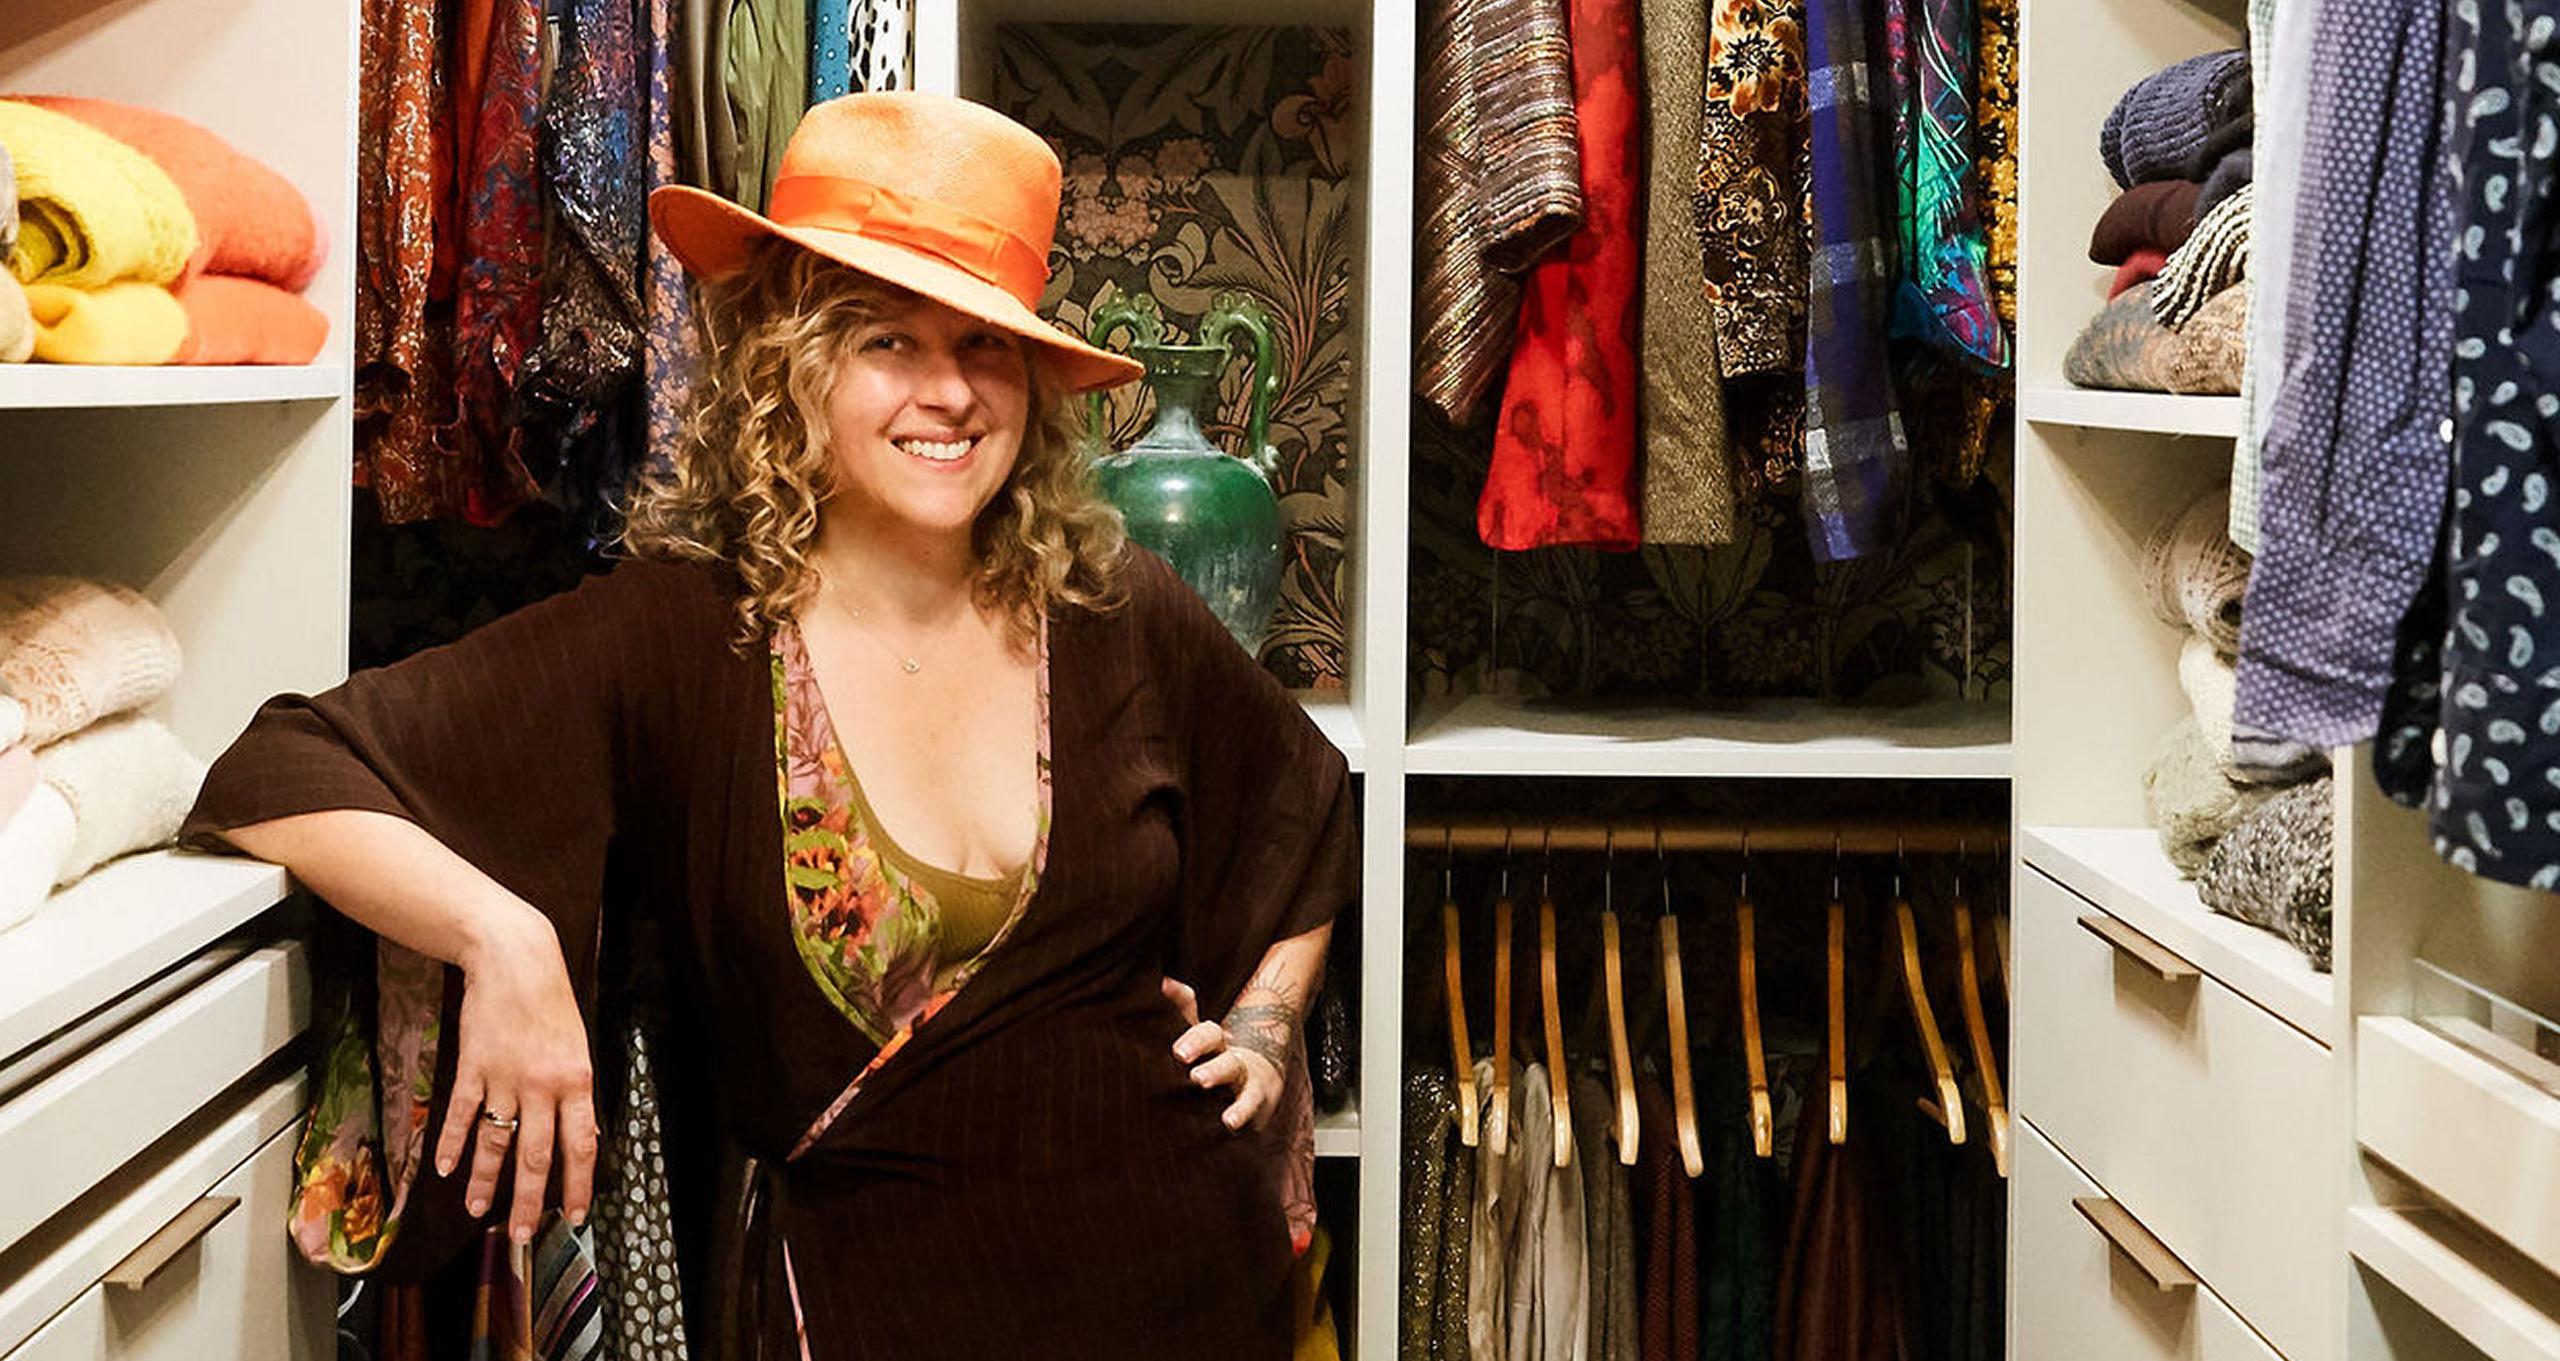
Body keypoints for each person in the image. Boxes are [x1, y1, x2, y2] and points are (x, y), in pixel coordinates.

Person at [179, 91, 1357, 1359]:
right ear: (793, 361)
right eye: (889, 342)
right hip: (865, 1313)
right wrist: (502, 936)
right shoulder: (683, 634)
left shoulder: (1116, 605)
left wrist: (1262, 1029)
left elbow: (1305, 803)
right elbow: (278, 764)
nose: (950, 392)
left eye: (984, 346)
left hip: (1190, 1290)